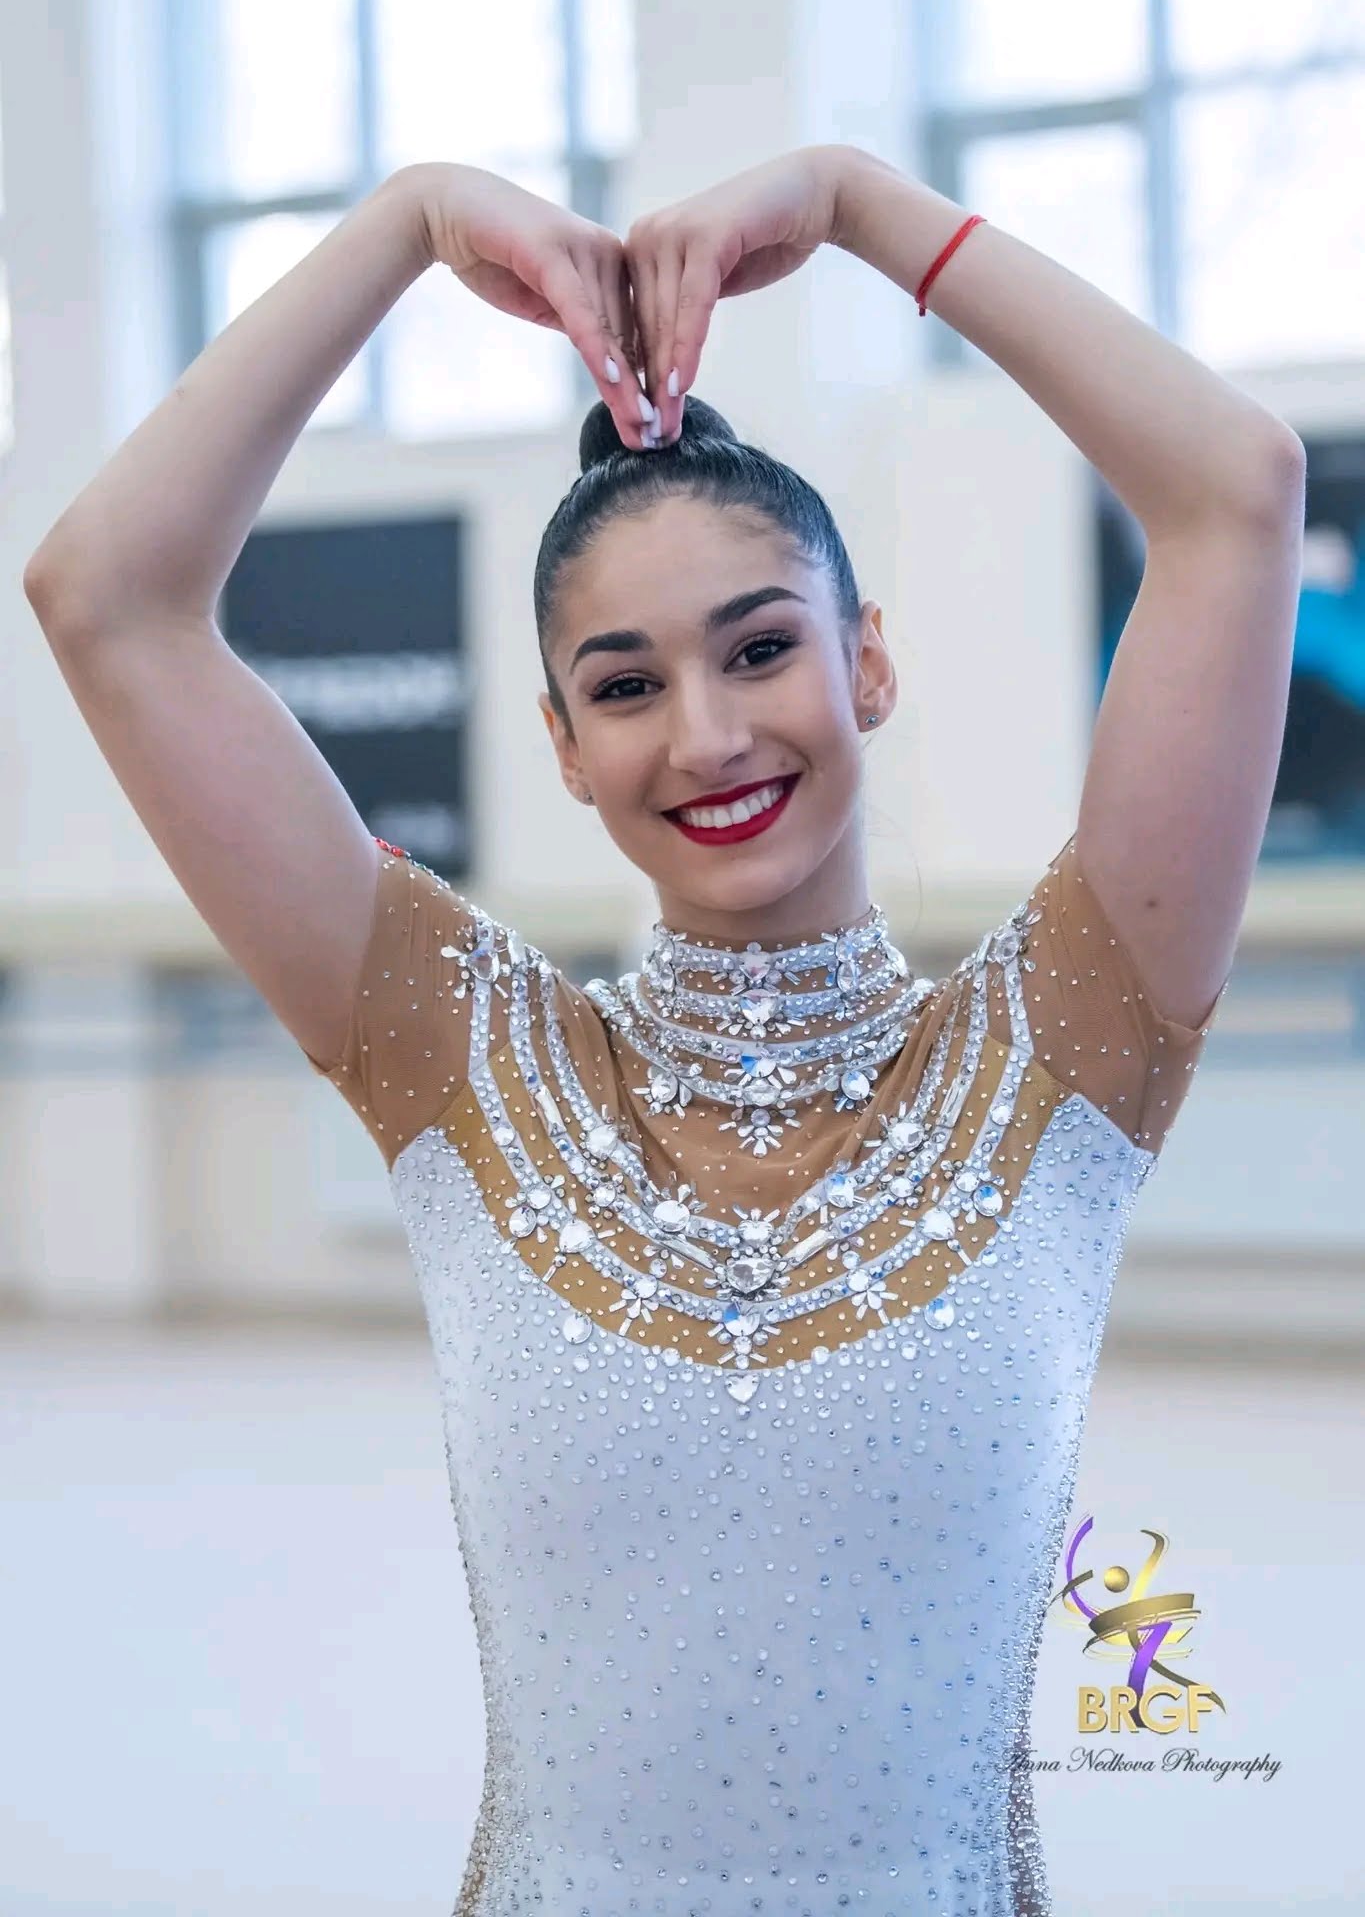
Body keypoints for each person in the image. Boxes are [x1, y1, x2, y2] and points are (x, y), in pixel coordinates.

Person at [23, 145, 1305, 1914]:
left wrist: (860, 206)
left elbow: (1236, 492)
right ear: (563, 748)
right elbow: (104, 597)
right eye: (625, 684)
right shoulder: (462, 1057)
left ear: (865, 662)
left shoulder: (1060, 1043)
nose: (705, 736)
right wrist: (406, 225)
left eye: (758, 648)